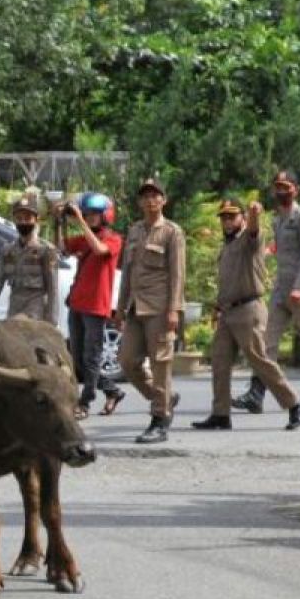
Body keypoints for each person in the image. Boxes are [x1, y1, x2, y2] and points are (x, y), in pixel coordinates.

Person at [233, 170, 300, 414]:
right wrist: (267, 255)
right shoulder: (277, 220)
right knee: (266, 342)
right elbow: (278, 247)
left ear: (296, 189)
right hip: (281, 290)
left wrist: (299, 287)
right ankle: (256, 393)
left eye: (286, 186)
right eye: (278, 187)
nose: (282, 191)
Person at [194, 199, 300, 431]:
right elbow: (228, 281)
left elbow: (254, 230)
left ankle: (294, 404)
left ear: (242, 218)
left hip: (249, 310)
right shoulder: (227, 245)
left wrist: (255, 213)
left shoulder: (248, 239)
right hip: (228, 312)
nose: (227, 221)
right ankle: (220, 414)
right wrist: (217, 308)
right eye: (224, 217)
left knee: (259, 360)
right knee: (220, 361)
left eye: (232, 216)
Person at [113, 178, 185, 444]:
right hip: (135, 307)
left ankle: (160, 419)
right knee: (127, 361)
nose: (150, 200)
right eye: (145, 196)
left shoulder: (171, 232)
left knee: (161, 364)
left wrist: (174, 309)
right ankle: (163, 397)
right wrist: (120, 307)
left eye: (156, 195)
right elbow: (127, 273)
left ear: (163, 200)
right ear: (140, 202)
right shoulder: (134, 231)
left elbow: (178, 274)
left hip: (160, 307)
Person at [56, 192, 126, 420]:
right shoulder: (84, 237)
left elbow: (99, 250)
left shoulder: (113, 239)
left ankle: (84, 403)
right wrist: (60, 222)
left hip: (96, 307)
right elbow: (62, 248)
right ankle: (112, 391)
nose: (90, 218)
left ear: (106, 215)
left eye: (95, 214)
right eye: (87, 214)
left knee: (92, 357)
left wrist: (79, 221)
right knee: (78, 358)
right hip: (77, 303)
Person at [0, 187, 59, 327]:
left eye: (27, 218)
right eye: (19, 219)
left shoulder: (46, 251)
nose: (23, 222)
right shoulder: (8, 251)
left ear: (36, 219)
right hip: (14, 312)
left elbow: (53, 290)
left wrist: (51, 323)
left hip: (36, 314)